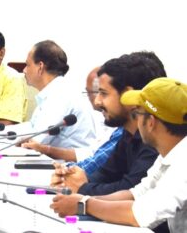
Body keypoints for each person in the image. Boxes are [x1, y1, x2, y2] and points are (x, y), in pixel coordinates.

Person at [51, 77, 187, 232]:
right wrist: (82, 200)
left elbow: (141, 214)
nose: (135, 120)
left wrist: (84, 205)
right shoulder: (168, 154)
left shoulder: (183, 164)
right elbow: (136, 194)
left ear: (150, 122)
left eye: (137, 113)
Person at [50, 52, 164, 196]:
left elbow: (131, 190)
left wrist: (82, 188)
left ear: (128, 95)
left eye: (103, 93)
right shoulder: (128, 133)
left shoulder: (155, 138)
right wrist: (70, 180)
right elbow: (106, 174)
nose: (97, 101)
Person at [22, 66, 116, 165]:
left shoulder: (62, 95)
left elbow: (94, 160)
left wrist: (46, 150)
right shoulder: (100, 114)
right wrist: (47, 151)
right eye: (88, 92)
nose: (97, 101)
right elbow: (91, 154)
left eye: (103, 93)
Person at [14, 40, 97, 149]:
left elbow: (37, 141)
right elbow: (32, 127)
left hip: (70, 159)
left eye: (27, 65)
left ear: (40, 67)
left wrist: (8, 138)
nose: (24, 70)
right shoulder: (56, 90)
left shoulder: (60, 95)